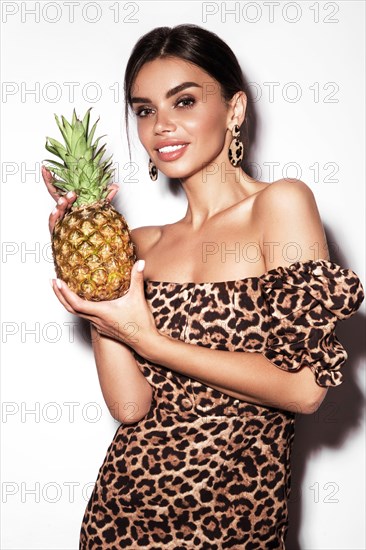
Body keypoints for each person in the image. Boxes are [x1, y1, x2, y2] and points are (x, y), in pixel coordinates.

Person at [43, 24, 364, 550]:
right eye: (144, 110)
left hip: (238, 525)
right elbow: (130, 408)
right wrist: (91, 282)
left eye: (184, 101)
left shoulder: (279, 205)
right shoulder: (139, 242)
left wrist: (150, 341)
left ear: (235, 110)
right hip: (121, 519)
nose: (161, 126)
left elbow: (305, 389)